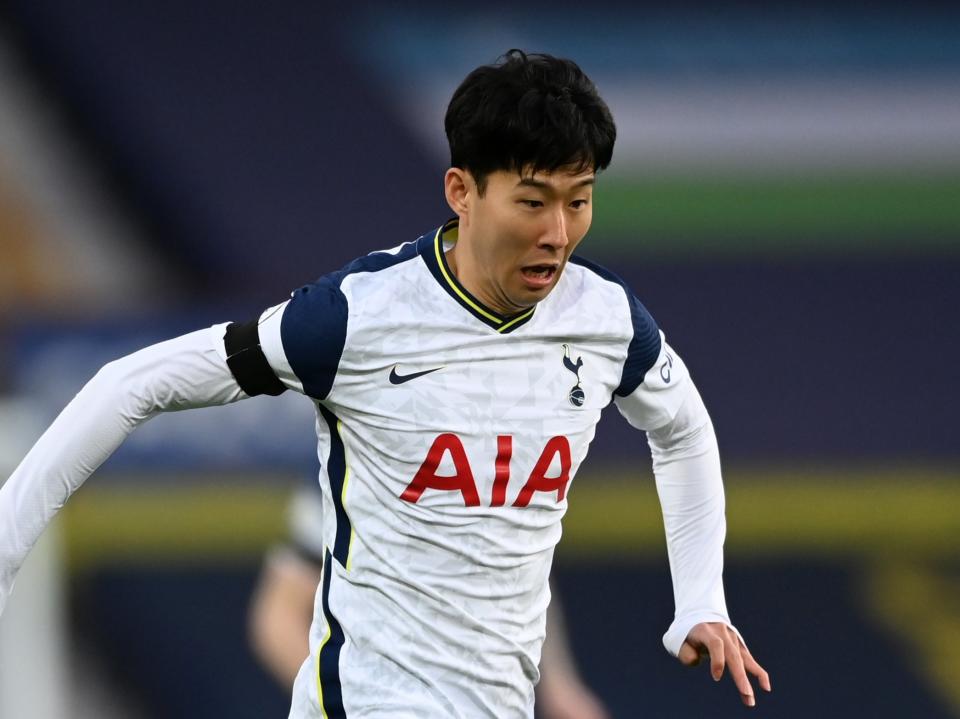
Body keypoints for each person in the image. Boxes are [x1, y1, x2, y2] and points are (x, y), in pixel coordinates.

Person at [0, 49, 771, 717]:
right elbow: (132, 382)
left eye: (580, 201)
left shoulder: (604, 320)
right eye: (533, 202)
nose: (558, 232)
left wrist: (701, 599)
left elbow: (682, 428)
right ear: (461, 191)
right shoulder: (354, 318)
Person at [249, 483, 610, 719]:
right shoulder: (371, 451)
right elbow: (277, 615)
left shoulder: (505, 442)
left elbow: (520, 573)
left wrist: (562, 685)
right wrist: (355, 700)